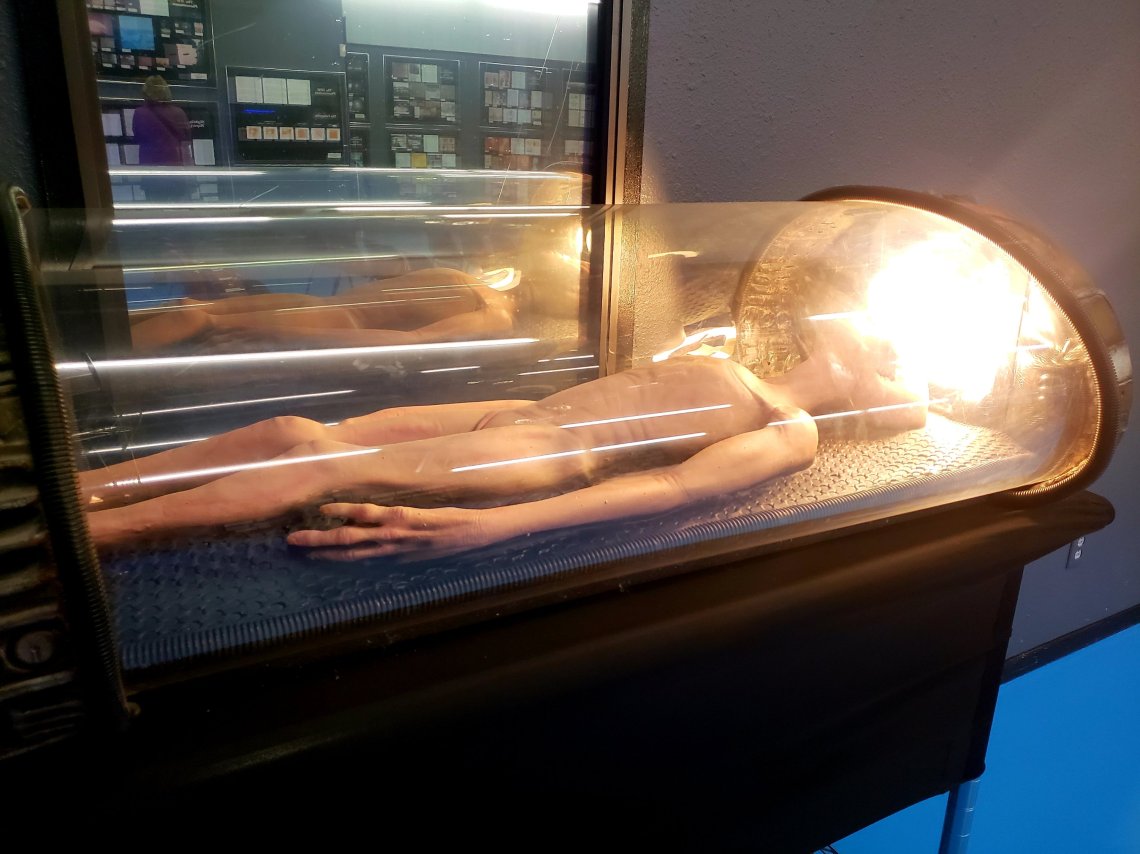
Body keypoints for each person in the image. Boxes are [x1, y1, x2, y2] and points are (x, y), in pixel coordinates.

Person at [81, 317, 927, 556]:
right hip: (527, 412)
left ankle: (91, 536)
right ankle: (86, 487)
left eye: (894, 360)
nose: (886, 341)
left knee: (318, 463)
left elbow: (675, 488)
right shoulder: (730, 353)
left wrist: (490, 527)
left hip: (550, 453)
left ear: (872, 396)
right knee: (293, 428)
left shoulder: (792, 429)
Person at [129, 267, 516, 351]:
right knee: (200, 317)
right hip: (328, 320)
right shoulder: (495, 312)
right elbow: (410, 341)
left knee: (198, 311)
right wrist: (284, 334)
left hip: (318, 306)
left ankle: (105, 350)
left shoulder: (468, 278)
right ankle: (106, 367)